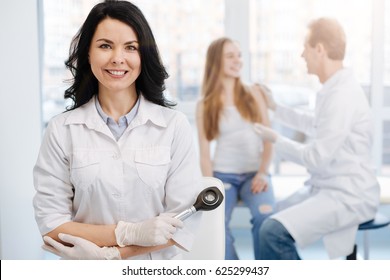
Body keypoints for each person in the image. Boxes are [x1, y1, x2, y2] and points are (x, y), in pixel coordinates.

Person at [33, 0, 203, 260]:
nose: (117, 58)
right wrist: (128, 233)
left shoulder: (174, 126)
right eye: (105, 46)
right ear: (88, 53)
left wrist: (112, 257)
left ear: (143, 55)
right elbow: (52, 225)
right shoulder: (61, 130)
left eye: (130, 47)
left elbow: (181, 224)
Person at [254, 17, 380, 259]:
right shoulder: (332, 89)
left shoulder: (342, 95)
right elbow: (314, 124)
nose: (302, 55)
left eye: (305, 47)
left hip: (348, 194)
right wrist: (275, 107)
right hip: (328, 186)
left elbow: (316, 158)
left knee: (272, 232)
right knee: (266, 218)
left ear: (319, 49)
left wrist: (276, 139)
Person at [196, 37, 275, 260]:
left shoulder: (254, 93)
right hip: (223, 175)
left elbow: (269, 139)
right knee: (216, 224)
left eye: (239, 55)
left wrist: (263, 172)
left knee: (266, 219)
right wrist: (211, 186)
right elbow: (204, 153)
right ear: (216, 62)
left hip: (254, 174)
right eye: (230, 56)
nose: (237, 60)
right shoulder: (205, 104)